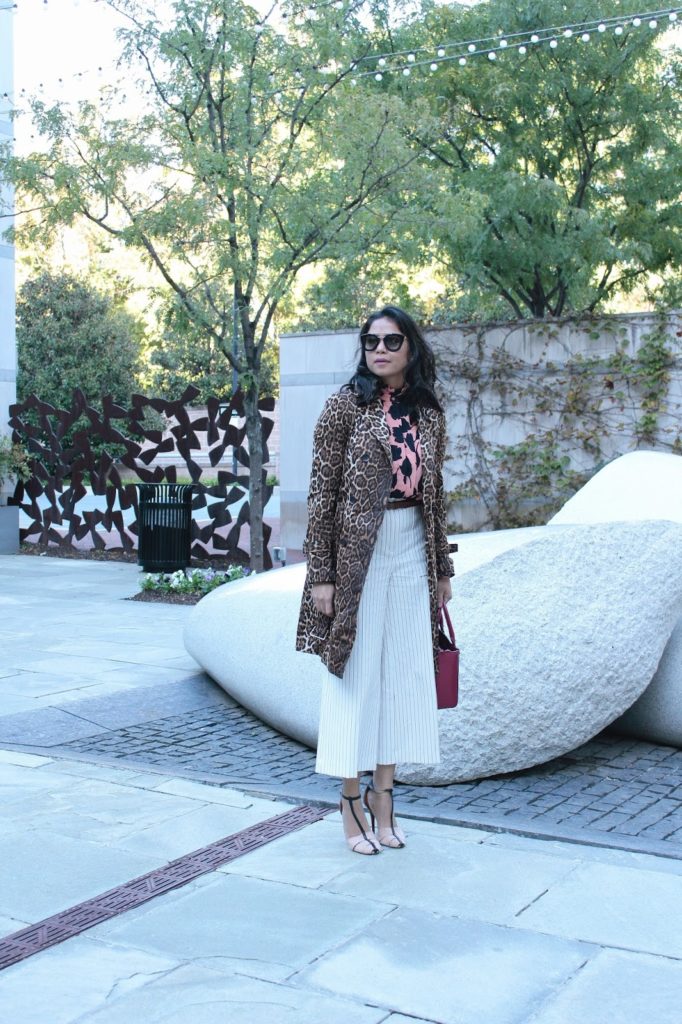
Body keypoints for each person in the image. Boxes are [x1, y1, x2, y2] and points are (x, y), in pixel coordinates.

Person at [295, 305, 454, 855]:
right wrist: (321, 575)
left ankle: (384, 796)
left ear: (411, 346)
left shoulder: (428, 411)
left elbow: (435, 493)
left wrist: (441, 568)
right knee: (354, 674)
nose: (380, 350)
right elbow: (322, 494)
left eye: (391, 340)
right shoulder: (344, 406)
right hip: (356, 554)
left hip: (412, 545)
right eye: (371, 341)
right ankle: (348, 799)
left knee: (404, 675)